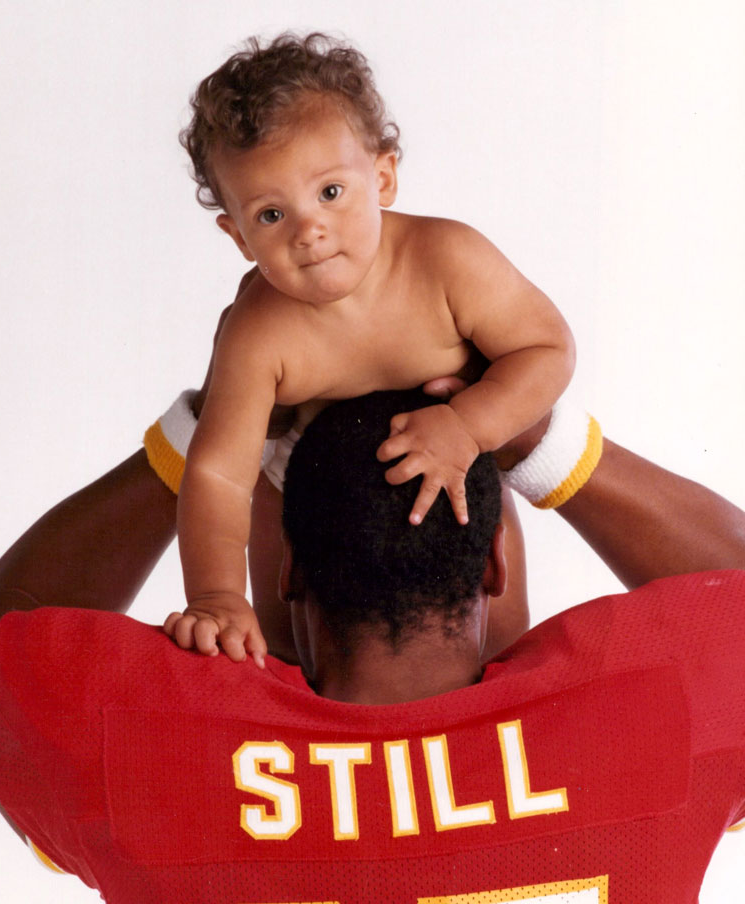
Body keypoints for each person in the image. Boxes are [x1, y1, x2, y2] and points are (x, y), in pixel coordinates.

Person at [0, 383, 745, 904]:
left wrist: (212, 434)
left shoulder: (150, 747)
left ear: (290, 571)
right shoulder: (647, 716)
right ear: (495, 562)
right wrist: (544, 439)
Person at [169, 32, 576, 664]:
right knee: (279, 650)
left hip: (454, 474)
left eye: (331, 192)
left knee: (501, 644)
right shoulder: (258, 330)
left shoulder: (447, 261)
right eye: (271, 216)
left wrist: (469, 425)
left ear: (382, 176)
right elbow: (222, 472)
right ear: (239, 236)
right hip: (301, 490)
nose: (311, 229)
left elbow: (547, 348)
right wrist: (217, 594)